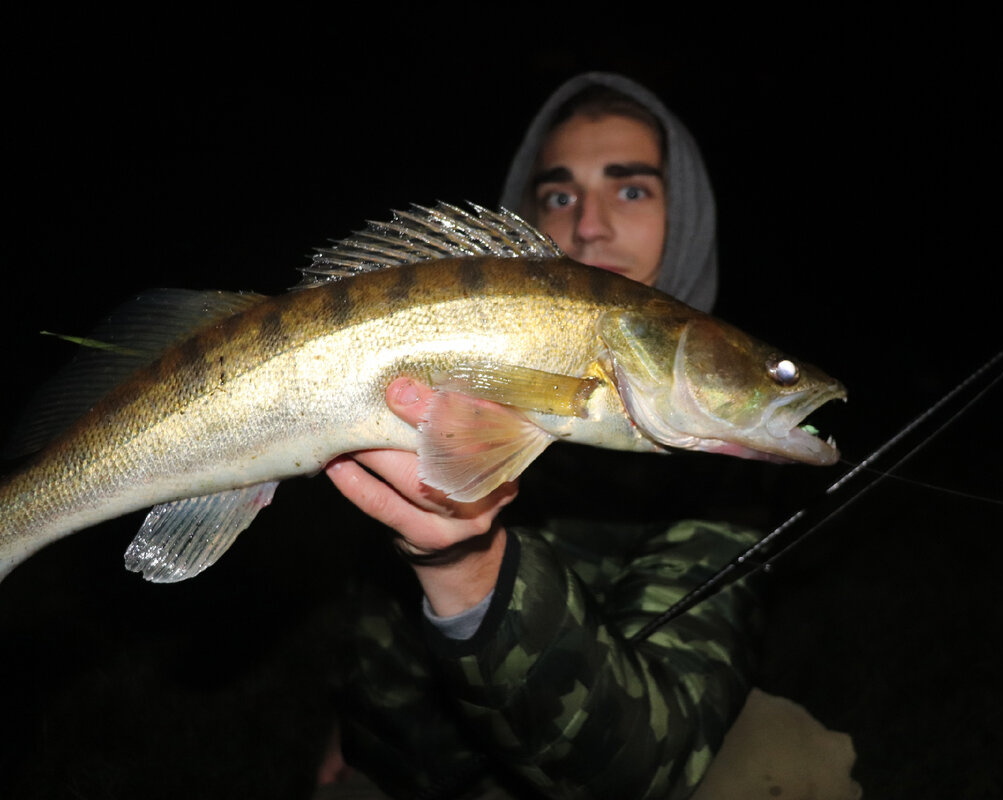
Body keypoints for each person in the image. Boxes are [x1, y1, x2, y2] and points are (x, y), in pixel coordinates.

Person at [322, 73, 857, 800]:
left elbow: (648, 764)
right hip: (398, 773)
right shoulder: (448, 382)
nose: (590, 224)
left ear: (685, 222)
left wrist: (471, 570)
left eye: (631, 189)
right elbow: (375, 604)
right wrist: (347, 732)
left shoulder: (723, 493)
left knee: (789, 761)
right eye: (558, 195)